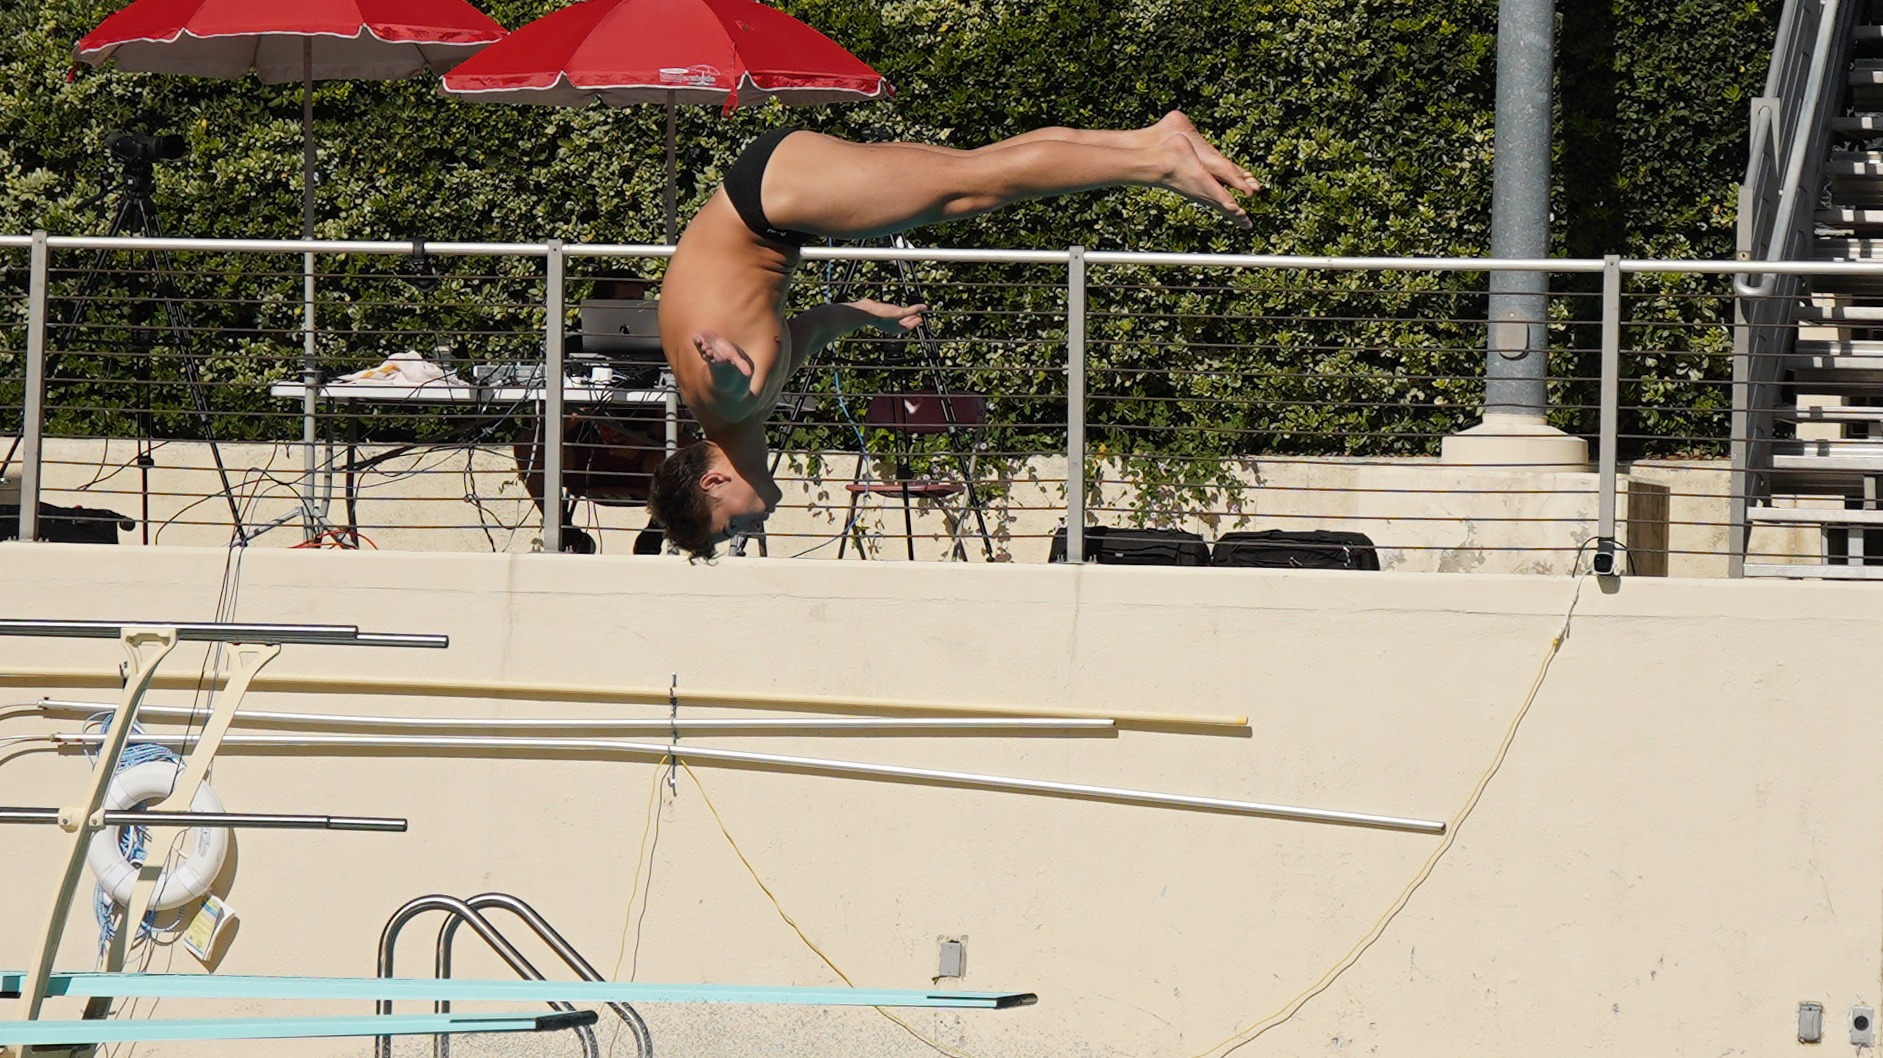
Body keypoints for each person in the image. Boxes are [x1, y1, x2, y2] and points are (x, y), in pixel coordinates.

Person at [648, 112, 1259, 559]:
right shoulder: (744, 411)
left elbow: (723, 373)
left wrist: (721, 357)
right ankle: (1150, 140)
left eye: (729, 527)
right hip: (772, 197)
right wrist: (865, 314)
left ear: (714, 482)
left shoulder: (725, 398)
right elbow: (809, 328)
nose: (746, 531)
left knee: (974, 186)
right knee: (974, 168)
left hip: (775, 201)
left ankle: (1157, 162)